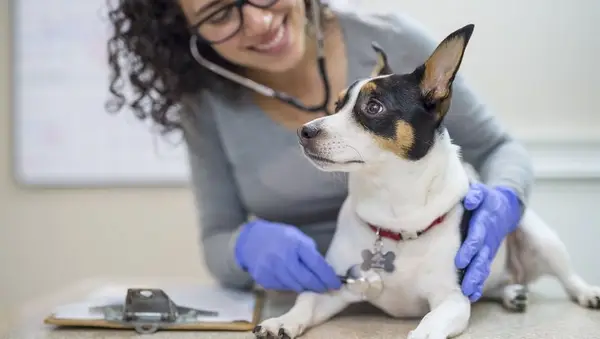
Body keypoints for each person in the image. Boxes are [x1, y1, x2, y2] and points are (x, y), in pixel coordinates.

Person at [105, 0, 532, 302]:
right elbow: (216, 239)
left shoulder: (393, 40)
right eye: (218, 12)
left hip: (429, 285)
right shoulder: (205, 103)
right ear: (186, 31)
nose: (256, 20)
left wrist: (506, 199)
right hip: (322, 299)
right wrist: (245, 248)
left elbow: (498, 148)